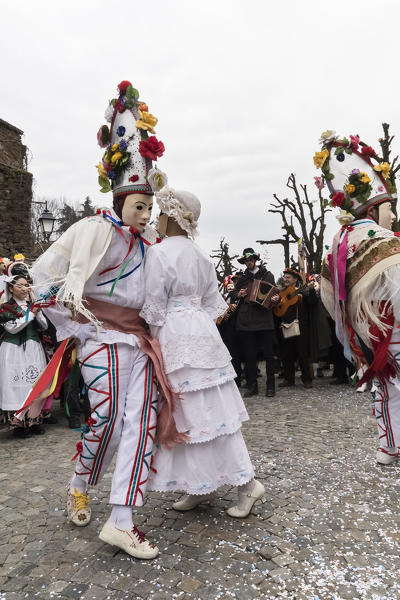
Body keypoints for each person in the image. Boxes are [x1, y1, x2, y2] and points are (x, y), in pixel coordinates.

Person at [32, 79, 177, 559]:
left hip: (140, 343)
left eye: (150, 205)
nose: (146, 212)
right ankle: (80, 481)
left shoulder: (151, 243)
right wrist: (73, 315)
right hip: (98, 337)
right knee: (109, 419)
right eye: (139, 205)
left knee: (141, 421)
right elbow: (43, 275)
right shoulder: (93, 231)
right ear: (119, 201)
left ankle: (121, 518)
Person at [141, 186, 266, 518]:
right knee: (208, 412)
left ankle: (247, 483)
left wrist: (157, 334)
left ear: (172, 217)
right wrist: (194, 319)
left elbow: (152, 307)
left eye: (161, 214)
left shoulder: (158, 253)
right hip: (203, 333)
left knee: (189, 412)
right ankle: (199, 483)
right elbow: (214, 305)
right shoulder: (200, 254)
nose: (156, 219)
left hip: (175, 334)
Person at [317, 129, 400, 466]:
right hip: (393, 326)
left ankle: (388, 445)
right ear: (375, 205)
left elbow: (329, 295)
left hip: (365, 329)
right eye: (389, 208)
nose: (393, 216)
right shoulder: (380, 238)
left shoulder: (340, 240)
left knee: (385, 389)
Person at [0, 275, 48, 436]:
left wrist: (38, 312)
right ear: (11, 288)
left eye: (26, 285)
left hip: (33, 348)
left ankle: (34, 420)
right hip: (13, 350)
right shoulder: (6, 307)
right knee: (15, 385)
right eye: (20, 286)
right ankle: (17, 424)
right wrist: (31, 313)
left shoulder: (32, 305)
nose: (24, 289)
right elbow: (12, 328)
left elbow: (44, 326)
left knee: (35, 384)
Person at [231, 249, 279, 397]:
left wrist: (276, 299)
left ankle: (271, 386)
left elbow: (276, 294)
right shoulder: (242, 278)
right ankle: (252, 385)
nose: (248, 262)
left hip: (264, 319)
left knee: (269, 354)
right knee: (249, 355)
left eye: (250, 259)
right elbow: (233, 294)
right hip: (246, 321)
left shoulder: (267, 275)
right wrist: (238, 294)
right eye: (246, 261)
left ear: (255, 260)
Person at [276, 268, 316, 389]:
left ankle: (307, 379)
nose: (285, 279)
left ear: (295, 279)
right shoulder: (281, 292)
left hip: (300, 325)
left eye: (288, 277)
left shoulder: (303, 290)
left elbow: (313, 303)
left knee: (302, 353)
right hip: (286, 324)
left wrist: (311, 291)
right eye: (285, 277)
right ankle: (289, 378)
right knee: (286, 353)